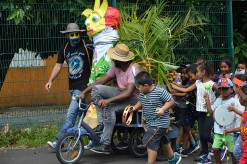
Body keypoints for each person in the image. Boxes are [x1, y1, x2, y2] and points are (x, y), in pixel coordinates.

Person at [79, 43, 142, 154]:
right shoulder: (117, 67)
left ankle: (105, 143)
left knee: (110, 108)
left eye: (115, 59)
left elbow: (128, 93)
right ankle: (102, 123)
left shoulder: (133, 69)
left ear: (121, 61)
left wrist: (108, 101)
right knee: (97, 89)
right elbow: (101, 81)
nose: (113, 60)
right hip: (121, 93)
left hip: (133, 98)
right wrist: (84, 92)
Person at [45, 23, 93, 148]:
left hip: (83, 87)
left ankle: (59, 141)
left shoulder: (87, 46)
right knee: (82, 115)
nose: (75, 37)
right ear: (67, 35)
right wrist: (50, 80)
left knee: (71, 115)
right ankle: (94, 137)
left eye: (77, 34)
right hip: (71, 87)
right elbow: (58, 65)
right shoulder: (65, 48)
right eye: (72, 34)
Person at [130, 71, 181, 164]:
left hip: (160, 122)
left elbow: (171, 101)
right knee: (163, 141)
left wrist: (163, 109)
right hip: (151, 123)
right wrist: (134, 108)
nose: (138, 89)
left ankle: (150, 162)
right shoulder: (143, 93)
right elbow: (140, 102)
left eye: (139, 87)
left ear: (145, 85)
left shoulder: (160, 91)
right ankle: (173, 158)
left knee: (151, 141)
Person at [171, 60, 217, 163]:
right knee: (201, 135)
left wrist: (213, 102)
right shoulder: (197, 83)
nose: (195, 74)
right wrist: (172, 85)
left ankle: (220, 146)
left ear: (203, 72)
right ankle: (205, 155)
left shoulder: (212, 84)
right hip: (200, 112)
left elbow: (222, 93)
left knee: (206, 134)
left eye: (197, 72)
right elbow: (185, 90)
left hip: (209, 112)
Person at [204, 78, 237, 164]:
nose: (224, 91)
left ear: (231, 89)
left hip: (230, 131)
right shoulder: (218, 100)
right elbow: (211, 111)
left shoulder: (233, 101)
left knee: (232, 151)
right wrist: (207, 99)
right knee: (215, 149)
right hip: (218, 131)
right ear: (219, 90)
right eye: (221, 89)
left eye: (226, 88)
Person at [227, 74, 247, 163]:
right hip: (239, 130)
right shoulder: (236, 97)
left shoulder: (243, 99)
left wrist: (234, 110)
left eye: (234, 85)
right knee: (236, 151)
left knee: (237, 151)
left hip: (242, 133)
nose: (232, 87)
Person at [238, 84, 247, 164]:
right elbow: (243, 128)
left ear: (243, 99)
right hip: (244, 148)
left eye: (239, 96)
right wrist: (231, 130)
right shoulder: (244, 113)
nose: (238, 98)